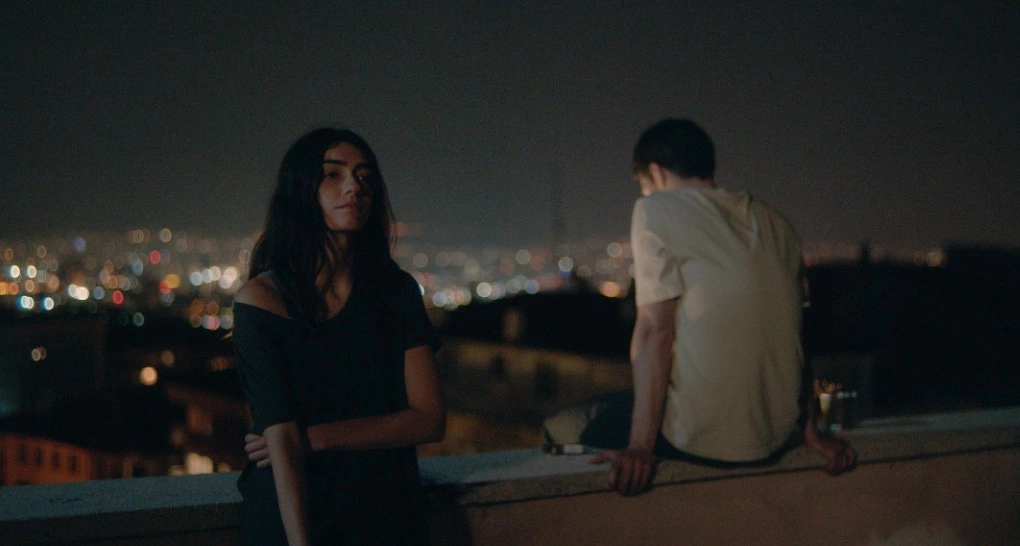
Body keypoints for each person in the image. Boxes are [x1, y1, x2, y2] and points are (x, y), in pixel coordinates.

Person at [542, 118, 855, 496]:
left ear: (656, 173)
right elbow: (796, 334)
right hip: (777, 434)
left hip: (701, 441)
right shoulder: (777, 222)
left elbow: (655, 332)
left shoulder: (656, 209)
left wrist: (640, 447)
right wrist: (810, 429)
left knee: (561, 428)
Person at [231, 127, 445, 545]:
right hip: (294, 512)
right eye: (333, 174)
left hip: (386, 511)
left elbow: (429, 419)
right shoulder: (261, 300)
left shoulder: (395, 292)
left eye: (364, 177)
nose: (354, 187)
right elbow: (281, 441)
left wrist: (311, 437)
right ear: (301, 189)